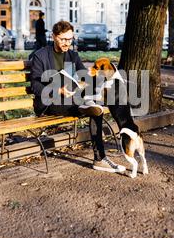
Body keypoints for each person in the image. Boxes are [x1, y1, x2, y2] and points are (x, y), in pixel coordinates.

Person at [30, 20, 126, 174]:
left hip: (71, 99)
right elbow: (35, 86)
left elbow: (84, 78)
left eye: (69, 39)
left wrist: (90, 77)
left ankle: (99, 158)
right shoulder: (40, 56)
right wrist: (58, 90)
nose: (67, 43)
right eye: (63, 39)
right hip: (50, 102)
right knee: (93, 108)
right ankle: (99, 157)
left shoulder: (72, 55)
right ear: (54, 36)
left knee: (96, 109)